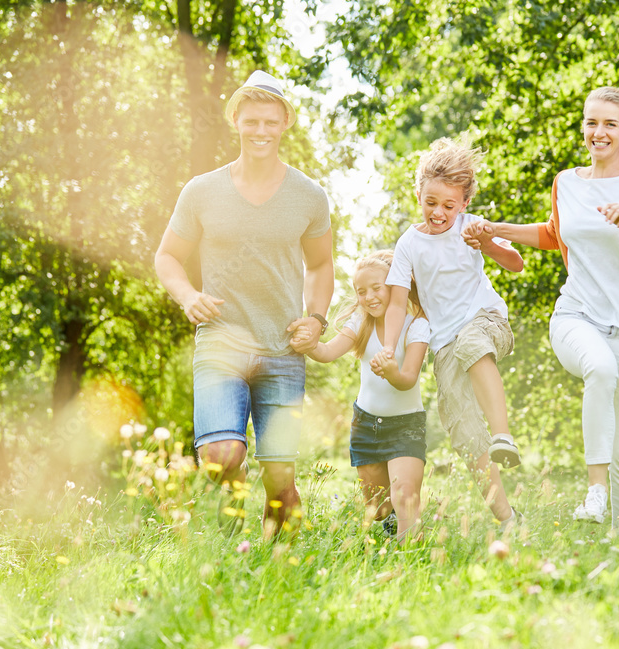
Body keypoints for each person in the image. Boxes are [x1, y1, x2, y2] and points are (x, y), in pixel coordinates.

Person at [464, 87, 619, 528]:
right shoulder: (566, 182)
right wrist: (495, 229)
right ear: (583, 128)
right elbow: (554, 232)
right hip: (577, 317)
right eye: (590, 123)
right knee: (600, 370)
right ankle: (594, 489)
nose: (598, 132)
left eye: (608, 124)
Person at [154, 70, 333, 536]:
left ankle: (279, 567)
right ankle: (232, 554)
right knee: (220, 458)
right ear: (236, 120)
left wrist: (316, 319)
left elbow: (320, 266)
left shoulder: (310, 197)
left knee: (280, 479)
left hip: (283, 347)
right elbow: (168, 256)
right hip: (221, 341)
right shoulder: (201, 191)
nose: (261, 131)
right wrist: (188, 295)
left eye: (270, 122)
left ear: (285, 124)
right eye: (252, 121)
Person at [379, 137, 525, 531]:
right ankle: (508, 518)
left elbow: (516, 263)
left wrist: (486, 242)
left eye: (448, 205)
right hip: (443, 344)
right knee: (460, 426)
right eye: (431, 202)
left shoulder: (471, 226)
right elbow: (396, 303)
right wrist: (389, 348)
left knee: (471, 343)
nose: (439, 213)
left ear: (463, 203)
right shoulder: (409, 243)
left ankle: (503, 435)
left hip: (486, 320)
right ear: (418, 194)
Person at [290, 250, 429, 542]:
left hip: (406, 425)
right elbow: (327, 352)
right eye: (361, 291)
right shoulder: (361, 321)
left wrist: (391, 371)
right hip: (366, 425)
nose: (369, 297)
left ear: (396, 286)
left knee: (404, 495)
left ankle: (409, 560)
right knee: (377, 508)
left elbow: (407, 380)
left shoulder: (416, 324)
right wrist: (310, 344)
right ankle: (390, 521)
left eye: (376, 288)